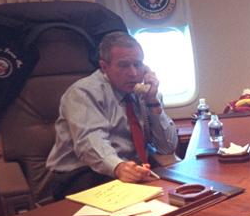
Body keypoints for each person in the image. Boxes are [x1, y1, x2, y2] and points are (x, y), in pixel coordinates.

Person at [46, 31, 178, 199]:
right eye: (123, 65)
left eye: (137, 64)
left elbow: (167, 147)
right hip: (82, 173)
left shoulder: (145, 93)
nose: (133, 73)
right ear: (104, 66)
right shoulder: (83, 93)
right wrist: (119, 167)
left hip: (132, 168)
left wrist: (153, 101)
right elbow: (91, 143)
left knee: (179, 196)